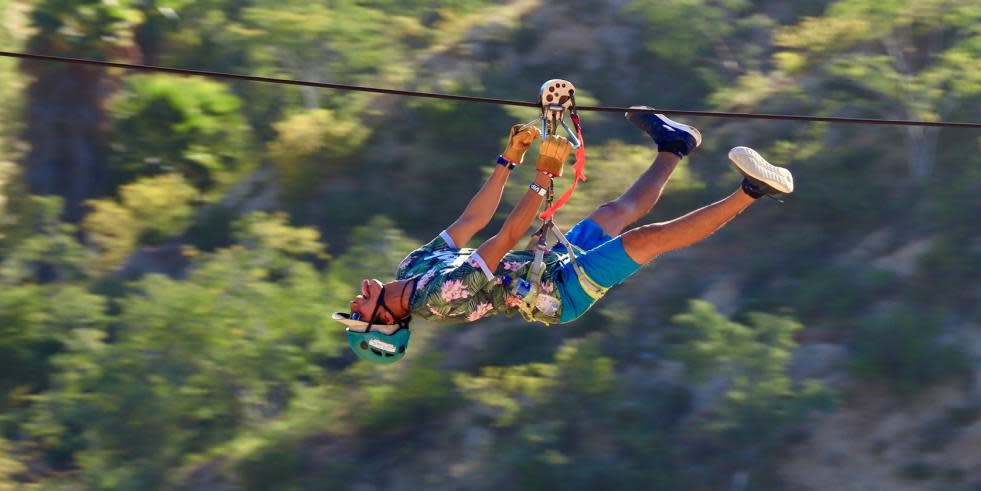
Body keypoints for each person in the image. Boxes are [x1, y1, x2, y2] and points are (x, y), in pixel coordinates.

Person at [335, 108, 794, 363]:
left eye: (352, 310)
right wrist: (544, 172)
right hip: (560, 291)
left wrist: (507, 160)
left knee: (614, 212)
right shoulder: (438, 297)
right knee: (647, 239)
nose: (354, 302)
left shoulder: (412, 268)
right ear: (383, 321)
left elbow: (471, 221)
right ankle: (754, 189)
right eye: (358, 314)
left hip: (548, 263)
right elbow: (507, 235)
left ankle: (675, 145)